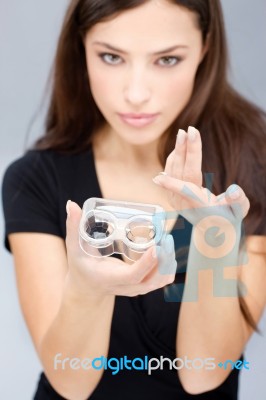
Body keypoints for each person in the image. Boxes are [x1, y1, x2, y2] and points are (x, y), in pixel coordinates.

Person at [2, 0, 266, 399]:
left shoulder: (249, 166)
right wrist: (87, 289)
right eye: (111, 56)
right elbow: (71, 381)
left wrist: (213, 239)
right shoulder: (36, 179)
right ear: (81, 49)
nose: (136, 93)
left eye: (167, 60)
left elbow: (203, 374)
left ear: (205, 48)